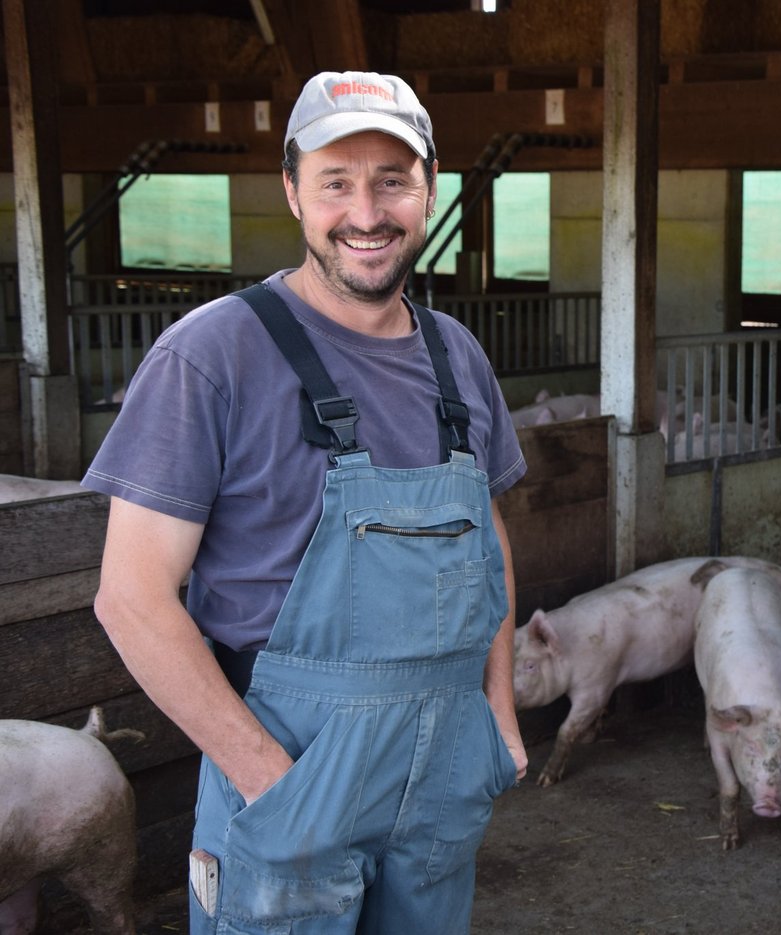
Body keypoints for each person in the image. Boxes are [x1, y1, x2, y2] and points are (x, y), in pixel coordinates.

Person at [84, 70, 528, 933]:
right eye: (336, 182)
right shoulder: (211, 355)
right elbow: (130, 598)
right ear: (292, 191)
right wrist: (269, 781)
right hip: (290, 769)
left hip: (441, 775)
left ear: (429, 189)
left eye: (393, 180)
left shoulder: (458, 358)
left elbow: (489, 545)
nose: (367, 212)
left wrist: (499, 721)